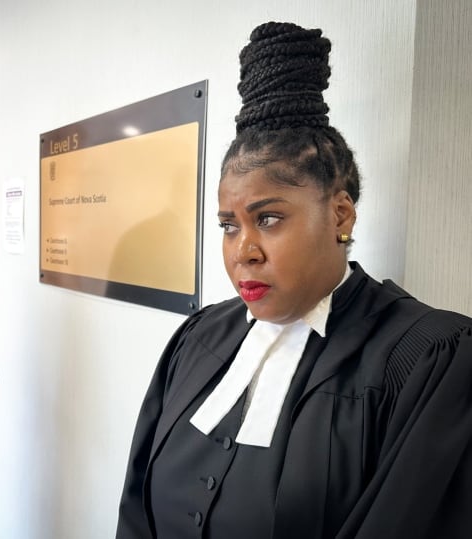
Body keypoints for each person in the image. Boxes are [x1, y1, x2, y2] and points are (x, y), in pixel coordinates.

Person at [116, 21, 472, 539]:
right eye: (228, 225)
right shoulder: (199, 338)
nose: (244, 252)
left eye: (269, 218)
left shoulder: (427, 360)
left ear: (340, 215)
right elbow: (136, 505)